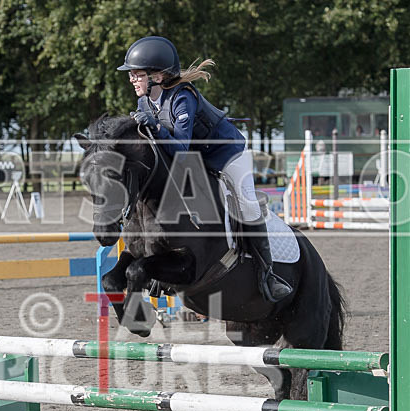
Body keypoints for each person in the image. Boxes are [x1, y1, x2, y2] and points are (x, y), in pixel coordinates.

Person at [117, 36, 292, 302]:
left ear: (158, 76)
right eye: (131, 74)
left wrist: (155, 127)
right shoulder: (145, 102)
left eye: (137, 74)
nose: (132, 79)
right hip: (194, 161)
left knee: (246, 205)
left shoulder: (183, 97)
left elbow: (179, 148)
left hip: (227, 156)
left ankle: (267, 274)